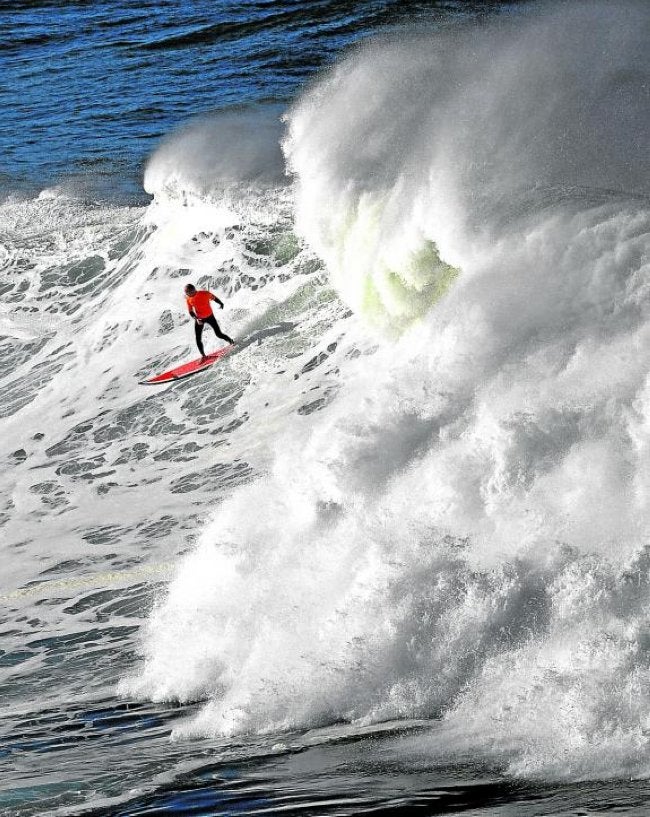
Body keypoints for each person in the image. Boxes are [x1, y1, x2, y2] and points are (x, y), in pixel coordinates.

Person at [184, 283, 234, 359]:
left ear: (194, 290)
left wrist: (220, 303)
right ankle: (203, 356)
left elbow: (214, 298)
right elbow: (190, 311)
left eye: (189, 292)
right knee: (198, 338)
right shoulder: (188, 299)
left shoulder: (204, 293)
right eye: (186, 293)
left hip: (210, 317)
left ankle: (231, 342)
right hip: (200, 319)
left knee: (219, 334)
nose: (188, 294)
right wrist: (196, 319)